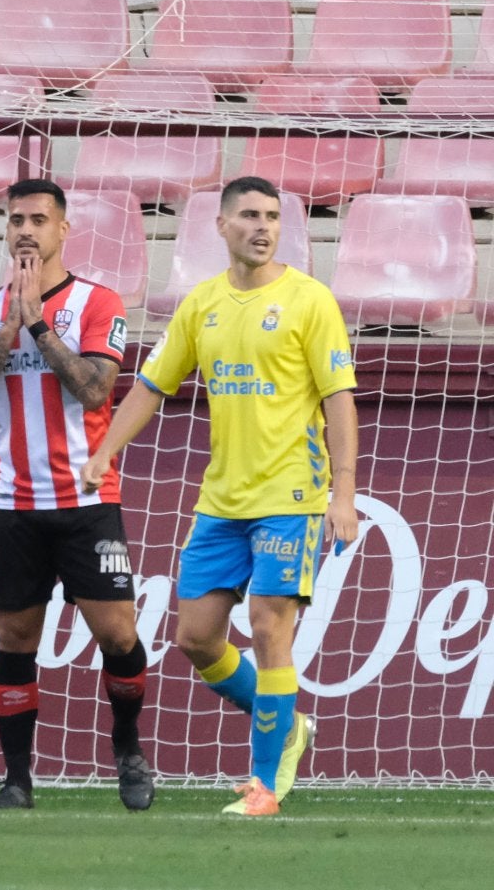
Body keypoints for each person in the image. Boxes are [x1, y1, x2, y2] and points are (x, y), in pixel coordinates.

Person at [83, 175, 358, 817]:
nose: (263, 227)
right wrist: (105, 451)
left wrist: (342, 493)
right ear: (222, 225)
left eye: (273, 217)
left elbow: (340, 400)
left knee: (269, 626)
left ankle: (265, 785)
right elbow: (152, 385)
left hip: (292, 493)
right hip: (222, 501)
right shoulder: (201, 304)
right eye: (250, 216)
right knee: (197, 638)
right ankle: (287, 726)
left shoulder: (310, 300)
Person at [0, 178, 155, 813]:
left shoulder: (98, 302)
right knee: (14, 637)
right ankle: (16, 779)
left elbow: (96, 392)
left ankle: (127, 752)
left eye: (39, 219)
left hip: (85, 499)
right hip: (11, 501)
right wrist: (8, 331)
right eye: (15, 220)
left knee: (118, 635)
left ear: (64, 230)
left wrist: (37, 323)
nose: (26, 230)